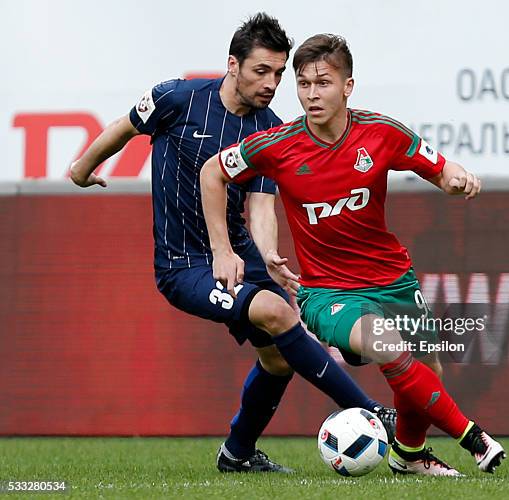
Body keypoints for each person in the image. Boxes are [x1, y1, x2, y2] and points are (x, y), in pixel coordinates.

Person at [70, 17, 395, 474]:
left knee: (279, 356)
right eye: (262, 71)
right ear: (232, 64)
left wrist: (267, 256)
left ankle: (237, 453)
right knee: (280, 315)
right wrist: (82, 169)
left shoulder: (271, 130)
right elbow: (124, 128)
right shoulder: (176, 98)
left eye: (280, 74)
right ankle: (370, 411)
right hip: (184, 265)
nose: (272, 83)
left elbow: (261, 205)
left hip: (240, 254)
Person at [202, 33, 507, 476]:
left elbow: (441, 169)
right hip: (327, 293)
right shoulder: (277, 145)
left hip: (393, 278)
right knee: (389, 346)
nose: (311, 94)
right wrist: (222, 249)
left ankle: (408, 455)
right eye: (303, 84)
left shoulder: (381, 133)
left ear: (347, 87)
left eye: (322, 83)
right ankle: (474, 438)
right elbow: (213, 171)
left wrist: (458, 178)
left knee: (428, 369)